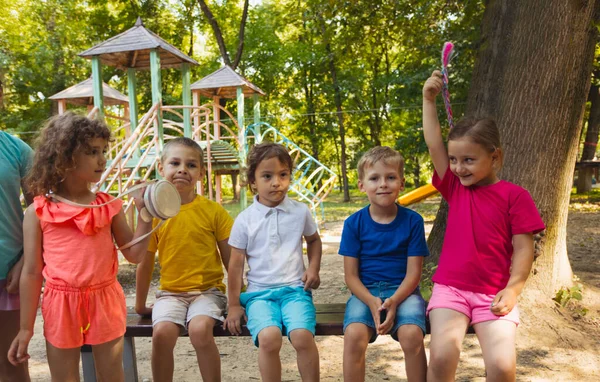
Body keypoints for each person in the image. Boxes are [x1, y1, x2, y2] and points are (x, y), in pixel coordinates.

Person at [7, 112, 154, 382]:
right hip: (60, 303)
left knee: (112, 375)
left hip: (104, 300)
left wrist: (146, 215)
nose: (102, 159)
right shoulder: (38, 211)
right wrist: (26, 329)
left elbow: (133, 255)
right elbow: (31, 272)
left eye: (103, 151)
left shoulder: (108, 205)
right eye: (92, 151)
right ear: (64, 157)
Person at [422, 71, 545, 381]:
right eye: (453, 159)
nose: (458, 168)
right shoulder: (455, 187)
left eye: (469, 160)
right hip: (450, 291)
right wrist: (428, 100)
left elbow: (523, 250)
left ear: (495, 157)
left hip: (494, 294)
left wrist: (513, 288)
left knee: (503, 368)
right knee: (440, 358)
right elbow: (433, 142)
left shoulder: (516, 197)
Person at [135, 137, 233, 382]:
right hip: (171, 294)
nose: (182, 169)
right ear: (161, 168)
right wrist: (139, 305)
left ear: (200, 173)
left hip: (208, 292)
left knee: (200, 330)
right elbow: (144, 262)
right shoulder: (154, 215)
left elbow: (232, 260)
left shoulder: (213, 211)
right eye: (175, 163)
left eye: (191, 165)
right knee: (162, 334)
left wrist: (236, 303)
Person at [224, 142, 322, 382]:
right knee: (269, 338)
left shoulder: (300, 211)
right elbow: (235, 266)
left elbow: (314, 241)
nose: (276, 182)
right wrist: (234, 305)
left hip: (295, 292)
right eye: (267, 176)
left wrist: (313, 268)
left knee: (302, 336)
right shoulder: (245, 220)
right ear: (253, 182)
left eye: (283, 174)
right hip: (259, 295)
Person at [339, 146, 429, 382]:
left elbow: (414, 274)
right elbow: (351, 276)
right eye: (374, 178)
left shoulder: (413, 222)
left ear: (402, 183)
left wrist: (395, 301)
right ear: (361, 185)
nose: (383, 184)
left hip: (404, 292)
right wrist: (371, 301)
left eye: (390, 177)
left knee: (411, 335)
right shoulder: (353, 224)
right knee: (354, 335)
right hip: (365, 293)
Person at [0, 131, 33, 382]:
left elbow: (42, 210)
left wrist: (25, 261)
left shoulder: (16, 149)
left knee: (10, 363)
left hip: (8, 274)